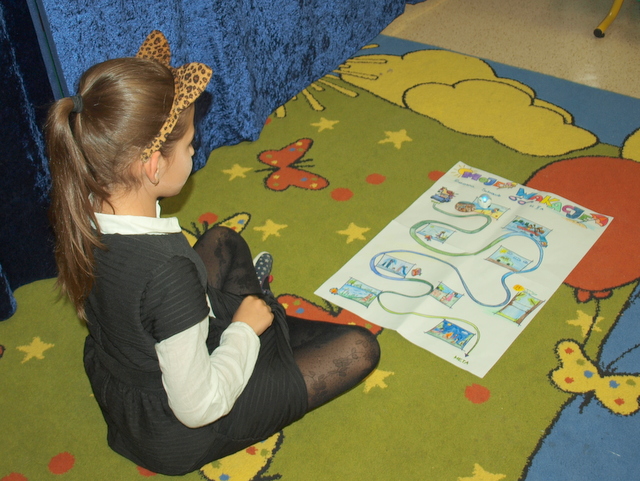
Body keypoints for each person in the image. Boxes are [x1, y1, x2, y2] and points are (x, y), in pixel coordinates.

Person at [45, 30, 380, 476]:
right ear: (153, 165)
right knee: (359, 348)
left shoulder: (83, 205)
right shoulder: (168, 272)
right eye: (190, 147)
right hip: (177, 427)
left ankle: (264, 324)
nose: (194, 153)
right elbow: (199, 406)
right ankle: (264, 325)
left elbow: (143, 294)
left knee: (222, 240)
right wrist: (242, 330)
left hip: (128, 372)